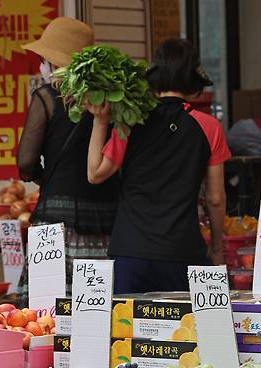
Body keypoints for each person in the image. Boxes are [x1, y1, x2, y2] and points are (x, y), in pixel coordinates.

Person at [85, 38, 229, 294]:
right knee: (182, 332)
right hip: (182, 252)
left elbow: (95, 174)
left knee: (126, 332)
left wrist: (100, 121)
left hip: (130, 252)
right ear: (191, 79)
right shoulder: (209, 127)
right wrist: (217, 248)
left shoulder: (130, 121)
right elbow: (215, 198)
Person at [16, 17, 119, 303]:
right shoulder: (112, 101)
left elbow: (25, 161)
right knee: (95, 317)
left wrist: (43, 176)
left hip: (54, 224)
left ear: (53, 64)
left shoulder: (46, 98)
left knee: (45, 316)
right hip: (107, 220)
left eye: (43, 60)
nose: (40, 66)